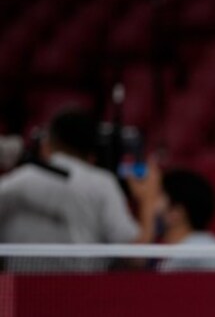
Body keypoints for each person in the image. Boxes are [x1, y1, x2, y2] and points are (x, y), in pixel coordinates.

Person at [0, 106, 161, 271]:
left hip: (18, 293)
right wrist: (149, 198)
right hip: (81, 292)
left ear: (46, 146)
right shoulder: (101, 184)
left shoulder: (19, 180)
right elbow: (136, 256)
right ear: (92, 156)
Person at [157, 169, 215, 272]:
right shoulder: (188, 249)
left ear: (176, 212)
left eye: (156, 197)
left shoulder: (198, 251)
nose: (150, 207)